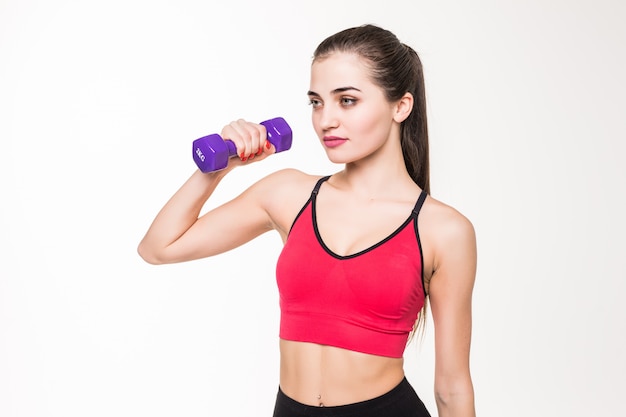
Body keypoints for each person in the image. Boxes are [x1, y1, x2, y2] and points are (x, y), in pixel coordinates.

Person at [138, 24, 476, 417]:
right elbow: (158, 247)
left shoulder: (443, 230)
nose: (325, 120)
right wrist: (216, 170)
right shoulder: (289, 194)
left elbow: (452, 388)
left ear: (401, 105)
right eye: (316, 102)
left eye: (346, 100)